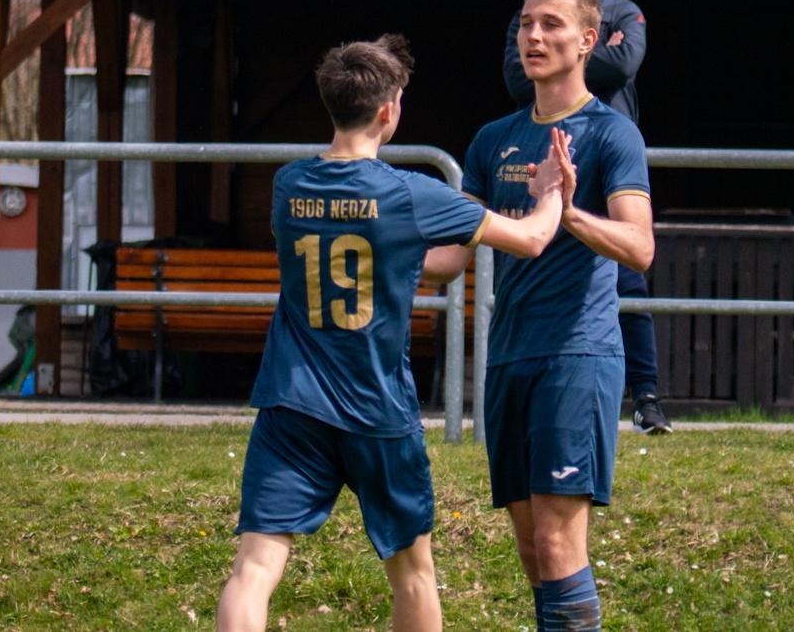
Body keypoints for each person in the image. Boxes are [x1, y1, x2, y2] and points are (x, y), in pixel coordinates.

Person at [216, 34, 573, 632]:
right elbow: (535, 239)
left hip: (290, 403)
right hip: (377, 409)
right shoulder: (410, 193)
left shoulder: (288, 186)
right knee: (413, 572)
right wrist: (551, 192)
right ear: (390, 111)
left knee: (253, 568)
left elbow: (403, 261)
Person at [431, 0, 655, 632]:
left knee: (559, 542)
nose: (533, 35)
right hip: (508, 358)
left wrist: (563, 207)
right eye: (527, 23)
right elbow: (450, 256)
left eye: (551, 24)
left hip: (576, 355)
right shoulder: (491, 137)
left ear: (588, 40)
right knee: (532, 549)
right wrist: (376, 243)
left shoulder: (613, 135)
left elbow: (640, 248)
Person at [501, 0, 671, 435]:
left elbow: (624, 66)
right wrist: (582, 52)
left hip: (603, 157)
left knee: (627, 280)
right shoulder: (528, 12)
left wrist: (573, 58)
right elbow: (514, 77)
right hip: (541, 157)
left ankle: (646, 398)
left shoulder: (624, 11)